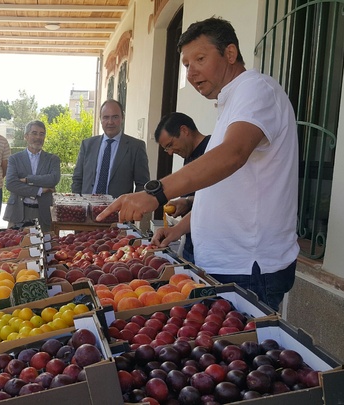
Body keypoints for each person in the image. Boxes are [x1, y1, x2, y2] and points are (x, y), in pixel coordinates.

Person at [97, 17, 299, 311]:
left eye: (200, 59)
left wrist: (155, 193)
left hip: (247, 269)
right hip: (221, 265)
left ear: (230, 54)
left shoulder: (256, 89)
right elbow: (224, 188)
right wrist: (180, 229)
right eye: (186, 65)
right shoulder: (231, 103)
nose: (191, 73)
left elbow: (233, 154)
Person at [155, 112, 211, 263]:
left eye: (170, 145)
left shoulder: (212, 152)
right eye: (167, 149)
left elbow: (215, 201)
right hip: (192, 241)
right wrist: (185, 202)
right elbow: (201, 198)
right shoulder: (189, 155)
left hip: (213, 249)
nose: (171, 152)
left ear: (184, 131)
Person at [72, 99, 150, 197]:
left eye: (115, 117)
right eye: (106, 117)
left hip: (118, 209)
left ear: (122, 118)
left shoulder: (136, 147)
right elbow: (77, 179)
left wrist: (132, 205)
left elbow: (142, 184)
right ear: (100, 119)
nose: (110, 122)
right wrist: (77, 204)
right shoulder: (87, 145)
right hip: (88, 207)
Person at [3, 120, 61, 231]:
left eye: (42, 134)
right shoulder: (14, 159)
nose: (38, 137)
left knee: (45, 246)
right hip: (18, 212)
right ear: (26, 136)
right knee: (17, 247)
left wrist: (27, 179)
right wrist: (39, 190)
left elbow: (53, 179)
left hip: (43, 213)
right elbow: (11, 184)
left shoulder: (52, 159)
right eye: (34, 133)